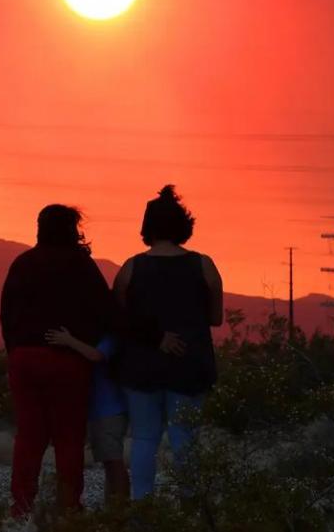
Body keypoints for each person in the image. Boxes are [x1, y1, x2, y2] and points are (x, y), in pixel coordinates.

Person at [0, 204, 116, 518]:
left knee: (29, 436)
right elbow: (105, 313)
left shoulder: (22, 264)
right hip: (69, 360)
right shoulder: (81, 265)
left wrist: (16, 352)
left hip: (25, 358)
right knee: (68, 438)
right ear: (72, 229)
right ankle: (69, 508)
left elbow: (7, 315)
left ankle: (21, 508)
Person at [114, 185, 223, 500]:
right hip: (190, 365)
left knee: (145, 438)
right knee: (184, 438)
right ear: (183, 225)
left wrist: (154, 337)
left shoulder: (131, 268)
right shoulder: (204, 266)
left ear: (147, 227)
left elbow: (118, 317)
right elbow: (215, 318)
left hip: (141, 366)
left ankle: (142, 506)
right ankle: (191, 507)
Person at [45, 326, 131, 506]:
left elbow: (96, 355)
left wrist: (68, 340)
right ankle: (115, 508)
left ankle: (121, 509)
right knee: (109, 462)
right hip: (100, 409)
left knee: (113, 461)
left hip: (109, 408)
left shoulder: (110, 336)